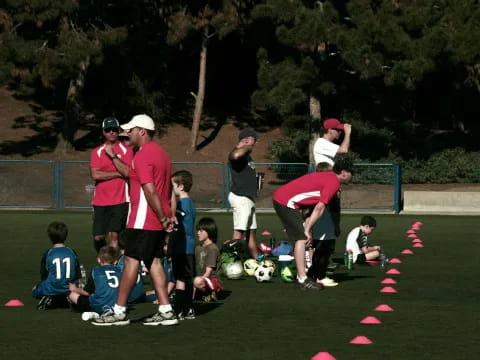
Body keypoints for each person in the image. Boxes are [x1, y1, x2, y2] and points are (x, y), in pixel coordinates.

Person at [92, 114, 177, 326]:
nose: (127, 133)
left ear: (142, 131)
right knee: (154, 261)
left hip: (144, 219)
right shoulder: (161, 154)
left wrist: (162, 216)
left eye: (131, 130)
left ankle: (119, 312)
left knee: (131, 261)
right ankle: (166, 310)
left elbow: (150, 190)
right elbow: (133, 175)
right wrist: (167, 216)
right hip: (156, 219)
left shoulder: (142, 155)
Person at [272, 162, 353, 290]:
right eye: (351, 172)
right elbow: (320, 209)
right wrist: (307, 229)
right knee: (301, 238)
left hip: (285, 200)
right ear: (343, 172)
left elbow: (312, 206)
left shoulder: (329, 177)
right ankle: (302, 279)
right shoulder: (334, 182)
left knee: (301, 237)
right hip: (285, 201)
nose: (352, 176)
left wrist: (307, 228)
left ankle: (302, 276)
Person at [312, 118, 352, 283]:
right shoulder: (321, 142)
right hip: (324, 186)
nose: (340, 132)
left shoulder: (325, 144)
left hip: (330, 185)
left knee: (332, 222)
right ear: (330, 130)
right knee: (323, 226)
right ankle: (317, 266)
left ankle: (324, 261)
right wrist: (348, 133)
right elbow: (344, 150)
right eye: (338, 130)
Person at [90, 116, 133, 251]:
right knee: (98, 236)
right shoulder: (97, 152)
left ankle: (113, 265)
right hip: (100, 200)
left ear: (118, 131)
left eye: (114, 129)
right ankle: (104, 258)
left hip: (120, 199)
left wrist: (113, 156)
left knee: (114, 235)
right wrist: (117, 173)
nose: (112, 132)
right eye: (108, 130)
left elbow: (127, 172)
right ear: (103, 132)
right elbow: (95, 174)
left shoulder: (126, 150)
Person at [228, 127, 261, 260]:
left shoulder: (247, 156)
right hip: (240, 197)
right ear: (246, 140)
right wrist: (246, 147)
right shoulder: (238, 153)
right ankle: (230, 261)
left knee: (251, 232)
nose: (255, 142)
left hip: (249, 198)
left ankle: (256, 258)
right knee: (239, 231)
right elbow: (234, 156)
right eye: (254, 139)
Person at [32, 221, 81, 310]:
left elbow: (44, 276)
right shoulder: (71, 252)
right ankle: (68, 298)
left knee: (35, 289)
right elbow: (77, 274)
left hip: (52, 288)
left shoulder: (48, 253)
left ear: (50, 237)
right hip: (68, 289)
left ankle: (50, 298)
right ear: (66, 236)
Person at [169, 170, 196, 320]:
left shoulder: (182, 204)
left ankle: (179, 308)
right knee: (187, 278)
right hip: (189, 247)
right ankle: (188, 308)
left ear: (180, 186)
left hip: (182, 247)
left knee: (180, 278)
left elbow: (178, 227)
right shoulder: (190, 203)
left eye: (173, 185)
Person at [68, 246, 122, 315]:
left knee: (72, 294)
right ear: (115, 261)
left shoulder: (96, 271)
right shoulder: (120, 271)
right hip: (118, 305)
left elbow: (87, 292)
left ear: (99, 260)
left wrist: (75, 289)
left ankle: (89, 310)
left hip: (98, 306)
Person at [193, 217, 222, 302]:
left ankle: (210, 293)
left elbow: (208, 273)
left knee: (197, 281)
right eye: (197, 230)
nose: (198, 233)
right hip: (201, 279)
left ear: (209, 232)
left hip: (212, 281)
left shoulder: (212, 249)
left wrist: (194, 282)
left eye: (201, 231)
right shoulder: (198, 247)